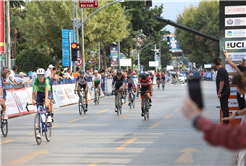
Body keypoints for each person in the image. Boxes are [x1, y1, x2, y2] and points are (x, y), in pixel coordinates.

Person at [32, 68, 52, 133]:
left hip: (47, 91)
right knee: (39, 109)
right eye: (38, 75)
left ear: (44, 75)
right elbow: (34, 92)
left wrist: (46, 99)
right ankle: (39, 125)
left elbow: (46, 90)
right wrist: (33, 100)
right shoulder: (35, 80)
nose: (40, 77)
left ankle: (49, 115)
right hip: (40, 92)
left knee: (47, 102)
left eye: (41, 75)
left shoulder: (46, 80)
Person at [214, 57, 230, 125]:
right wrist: (215, 56)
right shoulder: (223, 69)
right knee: (224, 107)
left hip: (223, 92)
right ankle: (225, 122)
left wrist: (220, 92)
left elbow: (222, 81)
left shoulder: (220, 70)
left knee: (224, 108)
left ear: (215, 64)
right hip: (226, 91)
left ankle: (225, 124)